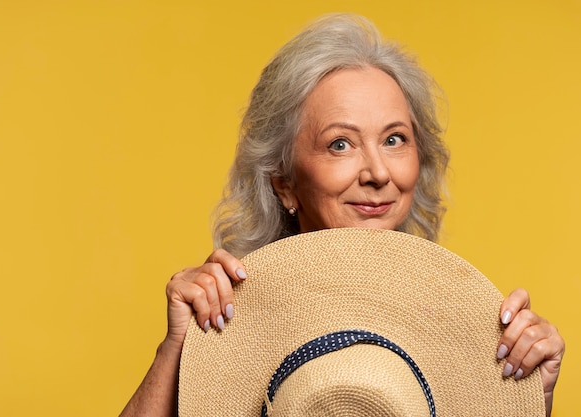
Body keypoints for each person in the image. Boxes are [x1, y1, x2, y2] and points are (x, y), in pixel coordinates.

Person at [120, 13, 564, 417]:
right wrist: (176, 350)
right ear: (284, 181)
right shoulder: (227, 313)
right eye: (340, 144)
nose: (377, 172)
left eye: (394, 140)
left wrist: (528, 399)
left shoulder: (474, 334)